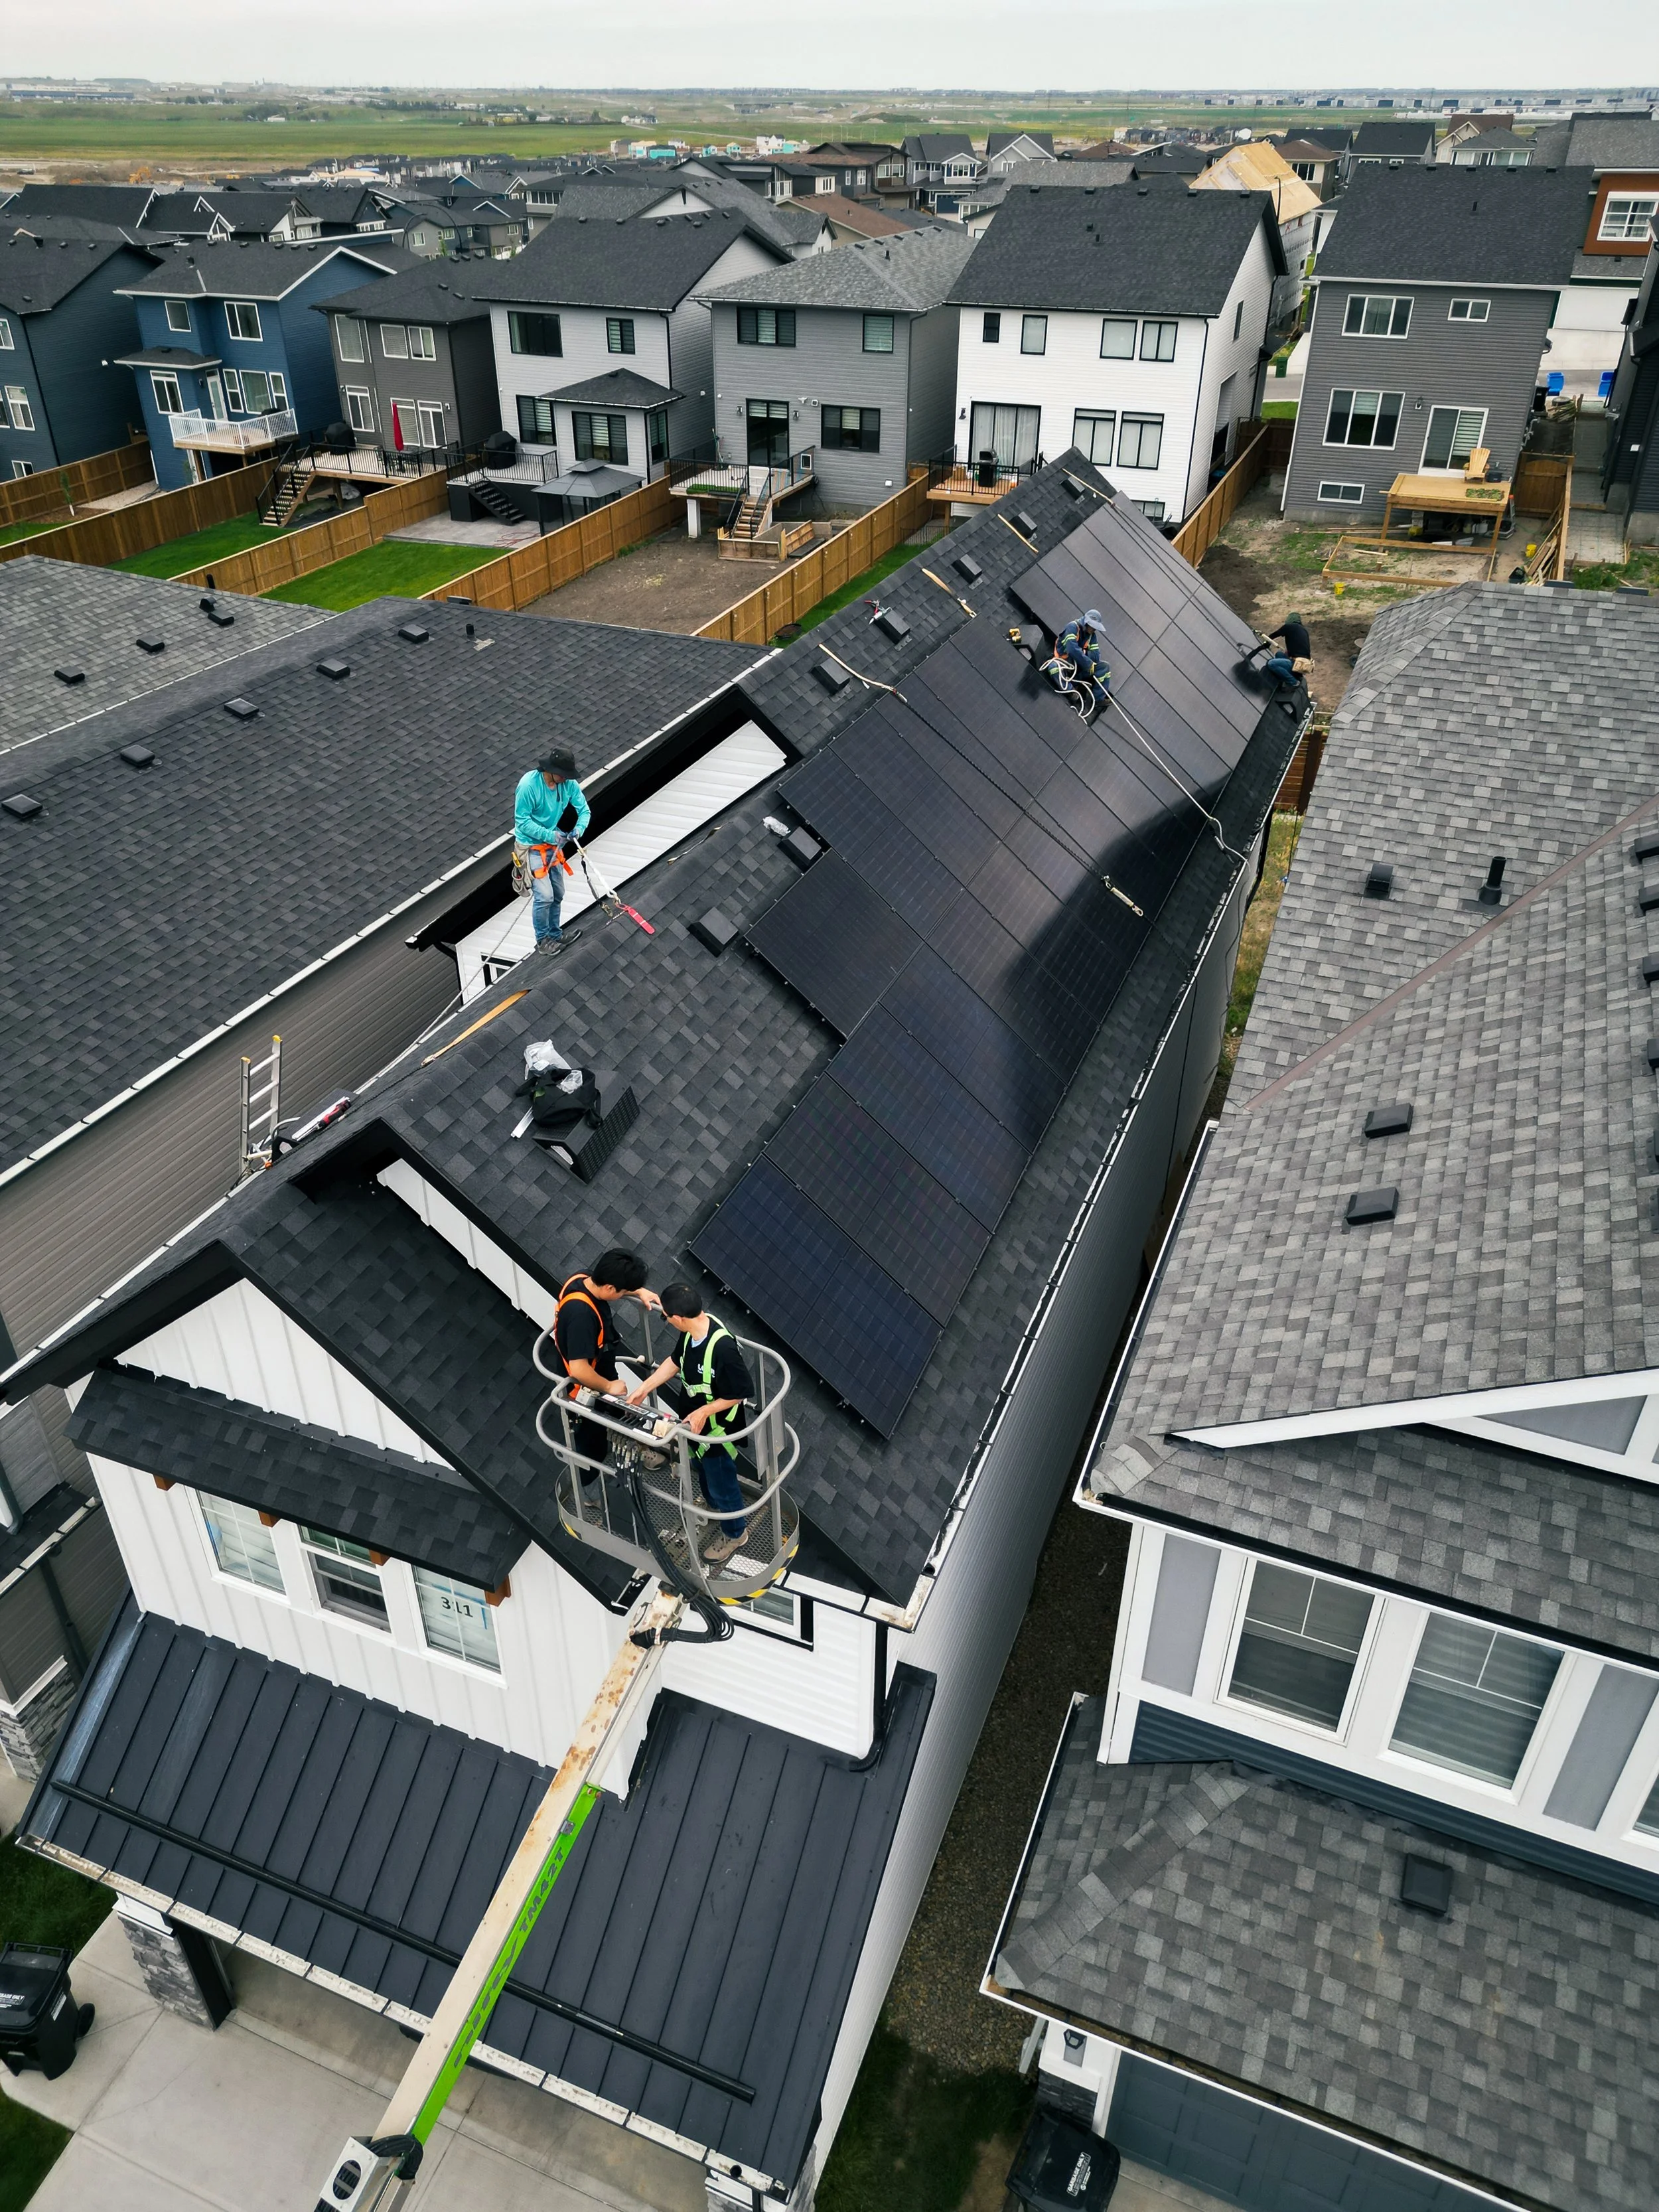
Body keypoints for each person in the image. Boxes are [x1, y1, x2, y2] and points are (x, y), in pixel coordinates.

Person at [628, 1284, 755, 1564]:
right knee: (702, 1470)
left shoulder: (722, 1348)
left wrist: (704, 1413)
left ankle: (735, 1534)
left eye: (666, 1317)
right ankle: (711, 1506)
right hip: (694, 1428)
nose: (666, 1321)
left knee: (722, 1481)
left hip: (716, 1432)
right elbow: (675, 1361)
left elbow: (742, 1391)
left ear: (680, 1318)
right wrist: (645, 1388)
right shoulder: (691, 1334)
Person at [551, 1250, 662, 1476]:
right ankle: (587, 1489)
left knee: (619, 1411)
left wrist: (638, 1290)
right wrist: (609, 1387)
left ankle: (635, 1447)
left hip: (600, 1366)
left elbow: (612, 1284)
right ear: (611, 1288)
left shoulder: (582, 1278)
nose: (623, 1295)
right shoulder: (582, 1315)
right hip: (583, 1388)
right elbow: (579, 1369)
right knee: (593, 1446)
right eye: (622, 1291)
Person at [514, 747, 592, 951]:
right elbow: (522, 822)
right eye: (563, 775)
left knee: (558, 893)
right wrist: (550, 835)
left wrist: (578, 830)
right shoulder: (529, 785)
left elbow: (584, 810)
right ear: (551, 770)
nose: (566, 779)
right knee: (545, 896)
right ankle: (543, 941)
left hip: (553, 844)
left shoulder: (568, 785)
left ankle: (555, 934)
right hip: (530, 847)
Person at [1048, 609, 1111, 703]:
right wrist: (1087, 662)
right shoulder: (1072, 627)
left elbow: (1096, 657)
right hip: (1064, 667)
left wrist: (1083, 653)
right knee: (1053, 667)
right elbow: (1071, 649)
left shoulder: (1092, 637)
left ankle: (1099, 700)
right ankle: (1071, 692)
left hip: (1079, 669)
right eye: (1093, 626)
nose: (1095, 629)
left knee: (1104, 667)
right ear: (1087, 623)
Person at [1258, 613, 1312, 683]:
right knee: (1279, 655)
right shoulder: (1303, 630)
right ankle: (1296, 676)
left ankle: (1294, 682)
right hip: (1305, 664)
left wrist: (1266, 642)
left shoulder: (1289, 627)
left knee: (1271, 664)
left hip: (1297, 664)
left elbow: (1274, 635)